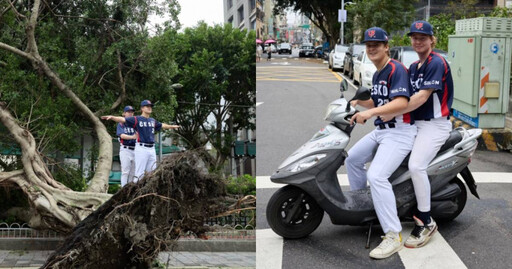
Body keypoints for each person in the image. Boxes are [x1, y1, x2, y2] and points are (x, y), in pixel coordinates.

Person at [381, 20, 454, 248]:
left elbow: (421, 98)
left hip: (434, 126)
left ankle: (426, 220)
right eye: (414, 37)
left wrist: (392, 110)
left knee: (416, 166)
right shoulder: (413, 67)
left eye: (423, 37)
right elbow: (403, 97)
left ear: (432, 40)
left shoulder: (437, 63)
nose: (418, 41)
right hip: (416, 124)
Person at [346, 27, 417, 259]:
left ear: (387, 46)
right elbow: (378, 100)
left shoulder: (396, 69)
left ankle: (392, 234)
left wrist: (371, 112)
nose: (372, 47)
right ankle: (364, 207)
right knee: (353, 159)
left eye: (377, 43)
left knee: (377, 175)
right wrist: (357, 103)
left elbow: (400, 103)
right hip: (383, 130)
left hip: (400, 132)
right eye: (368, 44)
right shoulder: (377, 74)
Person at [102, 100, 180, 182]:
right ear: (142, 108)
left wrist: (172, 126)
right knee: (139, 173)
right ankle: (135, 193)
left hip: (152, 149)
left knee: (151, 173)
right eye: (147, 106)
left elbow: (162, 125)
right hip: (141, 148)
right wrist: (112, 117)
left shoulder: (152, 120)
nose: (149, 108)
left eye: (150, 106)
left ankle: (147, 192)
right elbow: (123, 120)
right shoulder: (137, 119)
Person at [117, 105, 137, 187]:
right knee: (125, 171)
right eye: (128, 112)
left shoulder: (135, 124)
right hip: (125, 149)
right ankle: (123, 190)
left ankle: (130, 191)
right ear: (124, 114)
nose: (130, 113)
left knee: (133, 173)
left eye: (132, 112)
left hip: (136, 149)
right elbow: (121, 135)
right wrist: (132, 137)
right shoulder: (121, 124)